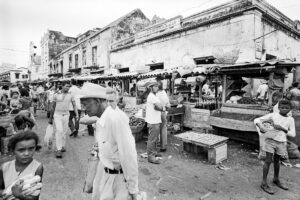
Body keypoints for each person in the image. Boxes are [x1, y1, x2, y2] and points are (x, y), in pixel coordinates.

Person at [80, 83, 139, 200]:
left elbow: (128, 156)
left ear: (97, 101)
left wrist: (133, 189)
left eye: (86, 104)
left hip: (119, 180)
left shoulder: (116, 119)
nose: (83, 108)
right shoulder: (100, 121)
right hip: (104, 175)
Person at [254, 99, 296, 194]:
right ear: (278, 108)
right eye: (282, 107)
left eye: (287, 108)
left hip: (281, 142)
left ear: (290, 109)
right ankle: (263, 183)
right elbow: (256, 120)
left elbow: (292, 134)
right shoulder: (273, 115)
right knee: (268, 161)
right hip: (270, 141)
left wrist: (282, 128)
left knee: (277, 161)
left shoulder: (290, 119)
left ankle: (276, 179)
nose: (284, 109)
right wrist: (260, 127)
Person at [0, 131, 43, 200]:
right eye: (21, 150)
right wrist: (8, 193)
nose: (26, 153)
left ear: (35, 147)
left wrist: (19, 195)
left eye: (31, 148)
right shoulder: (4, 167)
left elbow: (35, 196)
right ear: (12, 151)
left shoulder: (37, 167)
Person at [49, 83, 78, 158]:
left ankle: (62, 146)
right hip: (57, 115)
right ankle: (58, 150)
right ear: (63, 86)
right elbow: (53, 106)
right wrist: (50, 118)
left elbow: (74, 105)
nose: (68, 87)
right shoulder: (56, 95)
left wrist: (77, 114)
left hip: (66, 115)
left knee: (64, 131)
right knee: (59, 130)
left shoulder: (71, 95)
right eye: (66, 86)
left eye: (69, 86)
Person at [145, 81, 164, 164]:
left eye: (157, 86)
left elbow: (159, 107)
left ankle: (154, 152)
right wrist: (161, 107)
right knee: (152, 139)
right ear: (151, 88)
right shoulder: (152, 96)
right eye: (155, 86)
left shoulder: (154, 96)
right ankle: (150, 156)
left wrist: (160, 107)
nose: (157, 88)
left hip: (155, 120)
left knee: (155, 138)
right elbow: (160, 106)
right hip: (153, 121)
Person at [156, 81, 170, 153]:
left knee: (155, 130)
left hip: (156, 113)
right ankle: (163, 147)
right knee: (163, 129)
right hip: (163, 112)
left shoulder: (155, 94)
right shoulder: (164, 93)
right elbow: (168, 104)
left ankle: (154, 147)